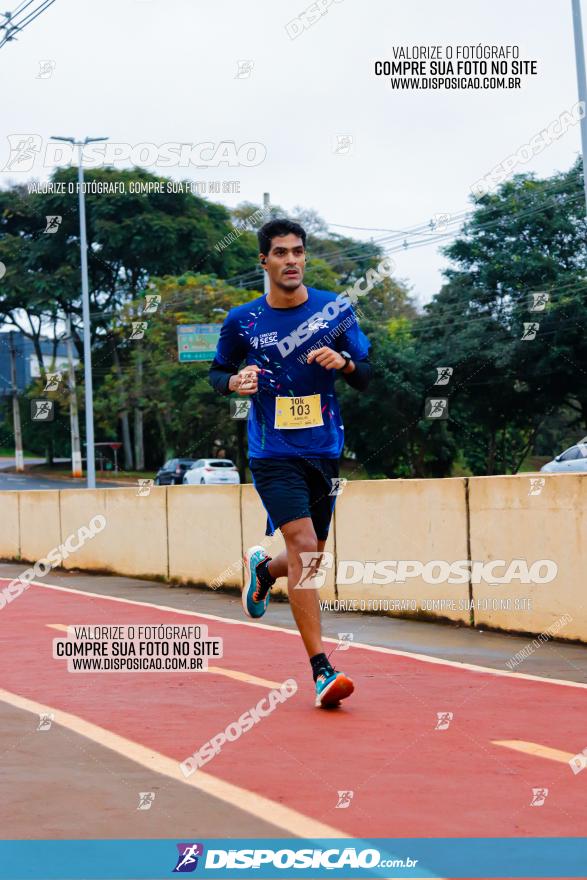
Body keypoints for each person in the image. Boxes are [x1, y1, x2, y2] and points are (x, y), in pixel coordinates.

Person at [209, 218, 372, 708]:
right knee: (303, 544)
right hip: (272, 453)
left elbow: (366, 374)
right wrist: (235, 382)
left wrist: (342, 364)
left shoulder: (335, 311)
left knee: (310, 556)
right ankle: (322, 670)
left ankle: (263, 571)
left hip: (323, 451)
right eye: (280, 253)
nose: (291, 261)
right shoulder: (243, 321)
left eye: (297, 252)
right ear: (264, 261)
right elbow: (217, 373)